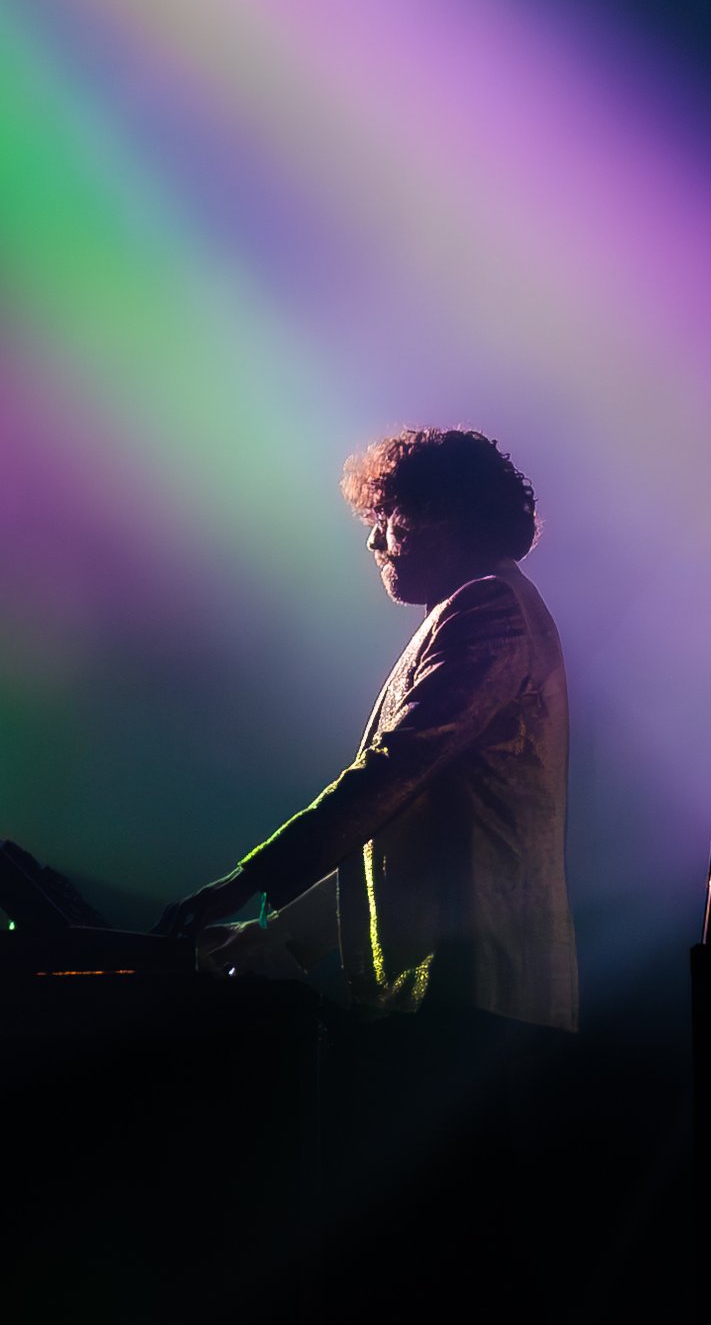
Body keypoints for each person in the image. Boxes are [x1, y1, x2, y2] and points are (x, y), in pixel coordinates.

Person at [175, 424, 574, 1027]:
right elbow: (403, 814)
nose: (372, 542)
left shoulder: (486, 607)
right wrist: (273, 935)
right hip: (470, 991)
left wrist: (242, 882)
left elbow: (391, 774)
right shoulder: (483, 605)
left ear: (435, 514)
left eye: (383, 515)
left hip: (473, 991)